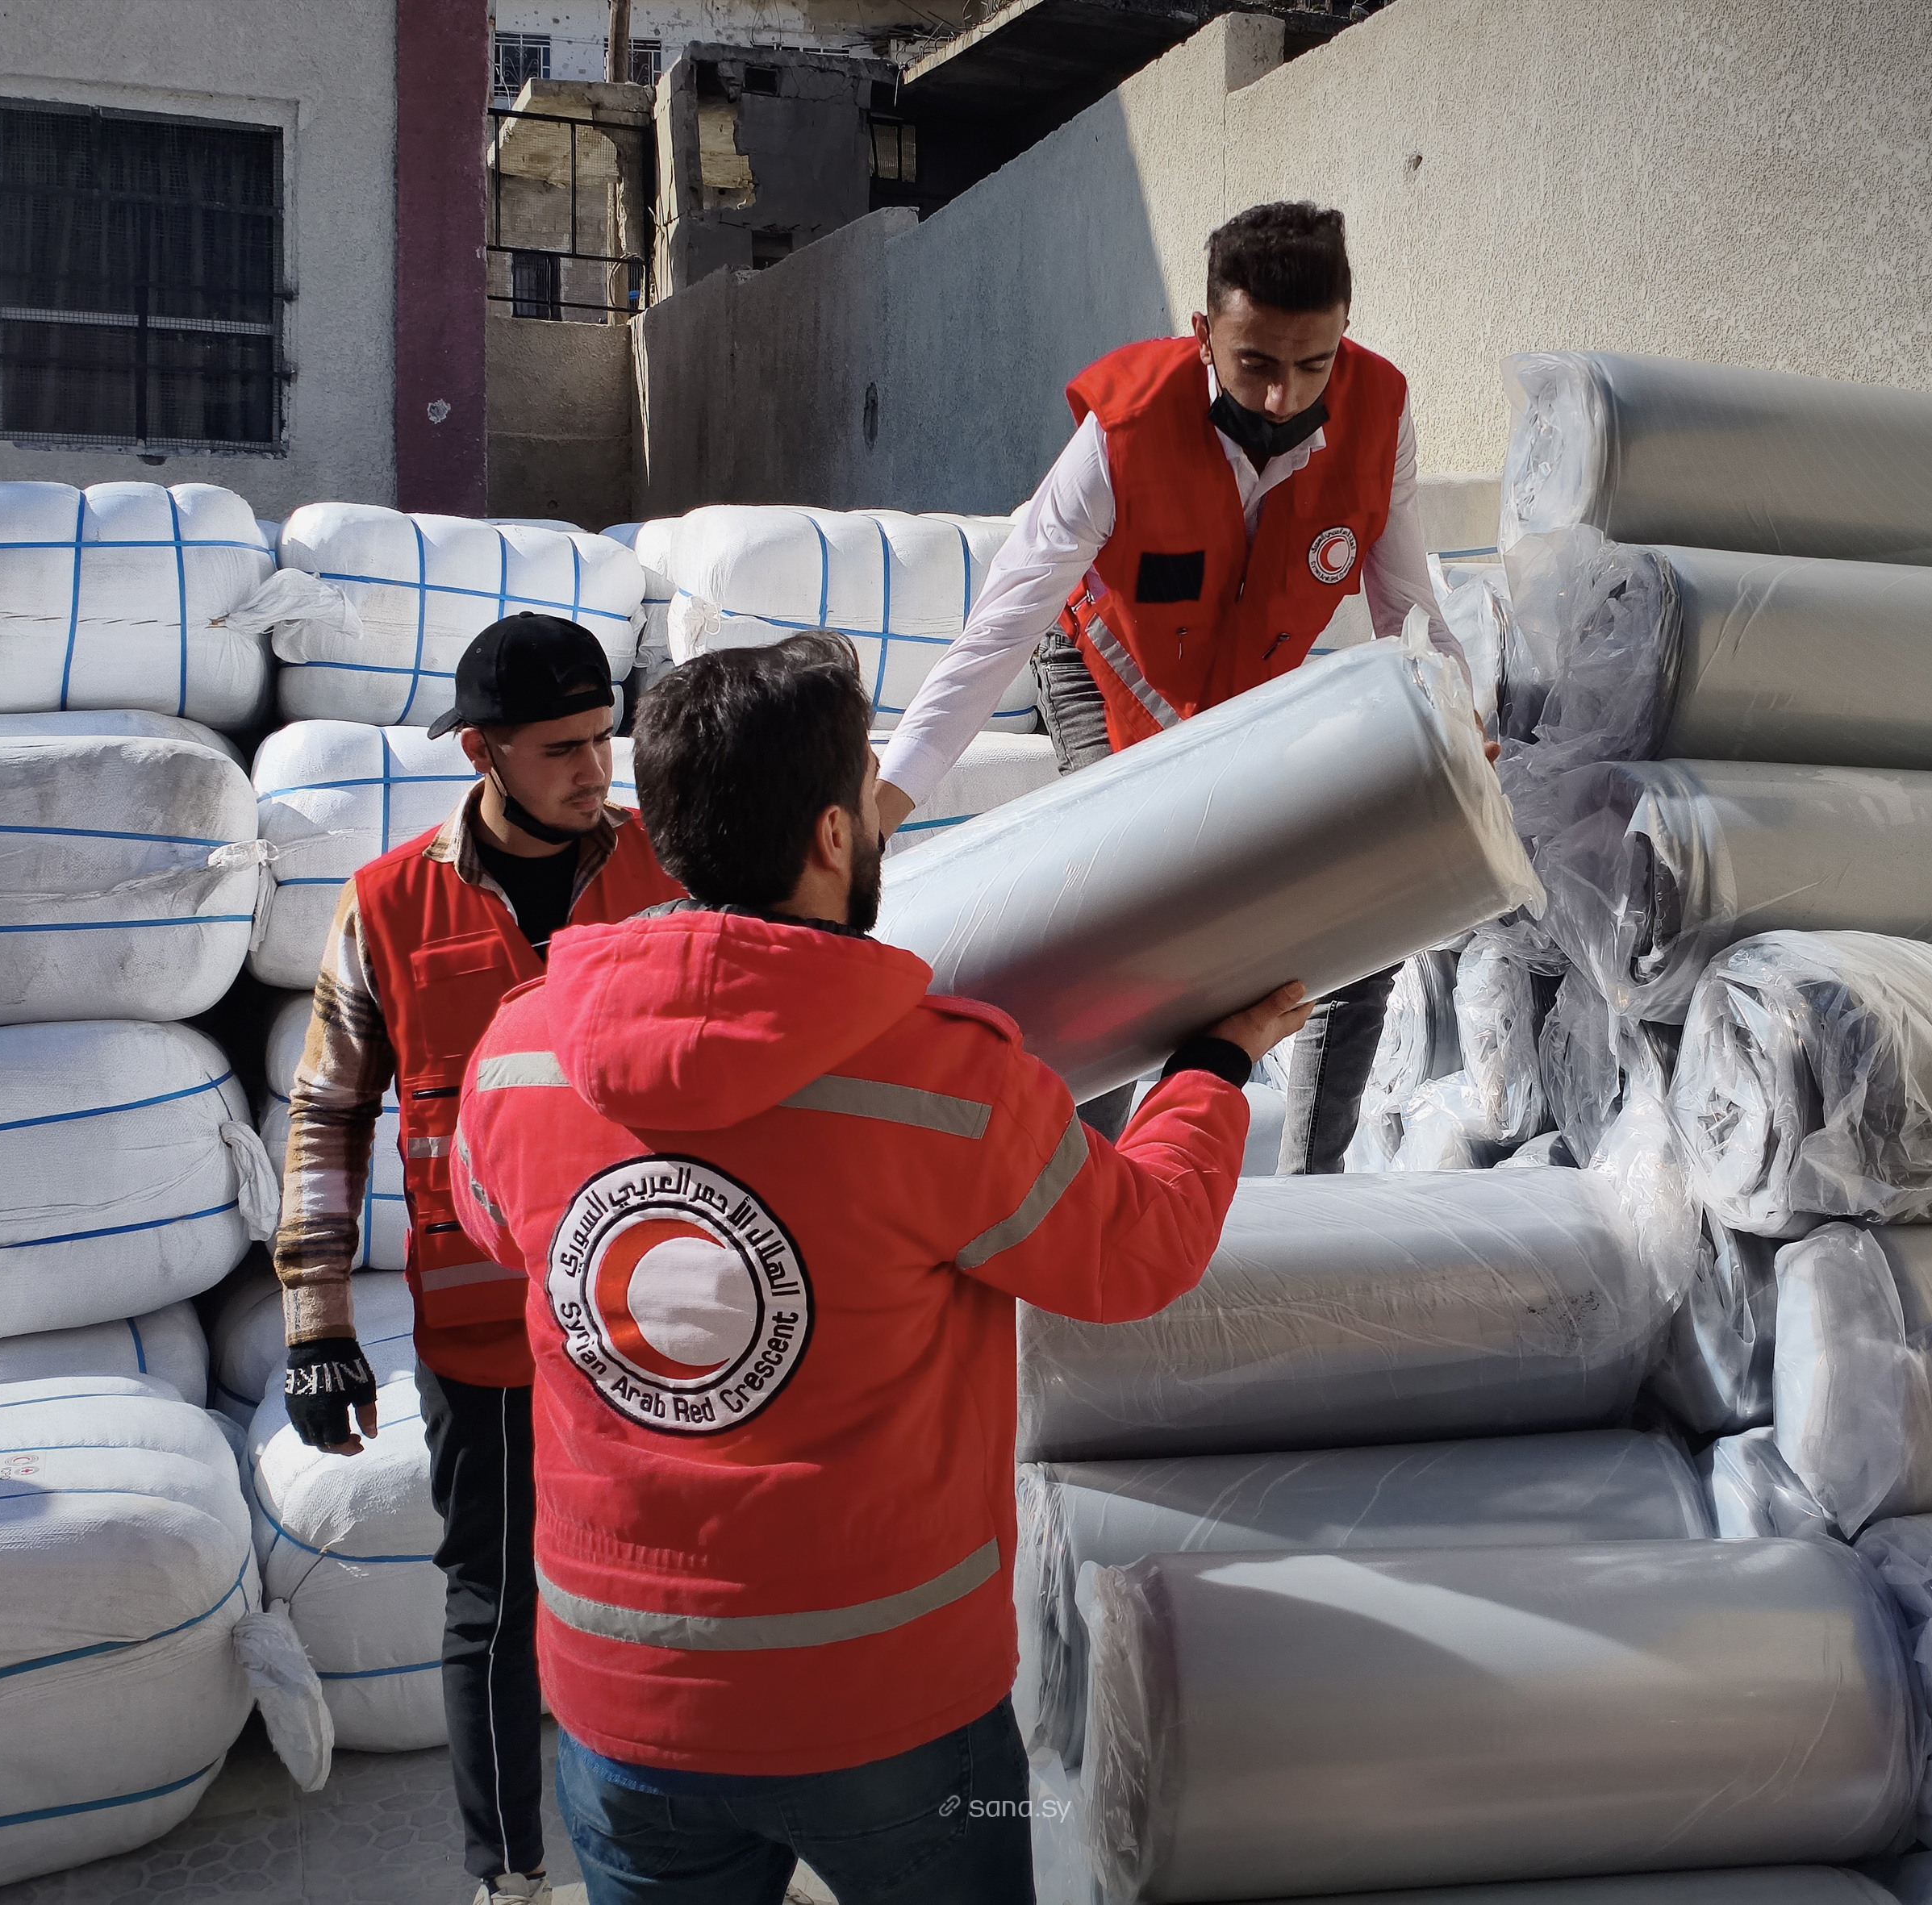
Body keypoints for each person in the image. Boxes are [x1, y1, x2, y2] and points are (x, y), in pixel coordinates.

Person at [450, 632, 1311, 1903]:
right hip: (893, 1707)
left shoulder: (519, 1052)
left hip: (624, 1702)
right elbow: (1135, 1251)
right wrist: (1210, 1073)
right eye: (866, 790)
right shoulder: (946, 1081)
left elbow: (493, 1225)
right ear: (830, 835)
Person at [872, 199, 1474, 1173]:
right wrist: (886, 805)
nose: (1282, 397)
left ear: (1343, 334)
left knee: (1357, 898)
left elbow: (1408, 609)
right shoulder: (1122, 437)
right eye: (1256, 363)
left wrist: (1454, 732)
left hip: (1243, 693)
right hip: (1101, 665)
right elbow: (997, 632)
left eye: (1313, 364)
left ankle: (1309, 1193)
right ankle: (1071, 1183)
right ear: (1203, 335)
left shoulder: (1379, 415)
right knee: (1126, 917)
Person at [273, 611, 684, 1905]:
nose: (594, 771)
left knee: (682, 1591)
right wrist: (316, 1322)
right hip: (488, 1330)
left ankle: (698, 1858)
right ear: (480, 750)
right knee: (495, 1605)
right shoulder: (388, 906)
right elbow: (328, 1112)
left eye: (603, 740)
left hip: (660, 1319)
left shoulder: (670, 870)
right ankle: (509, 1877)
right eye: (561, 748)